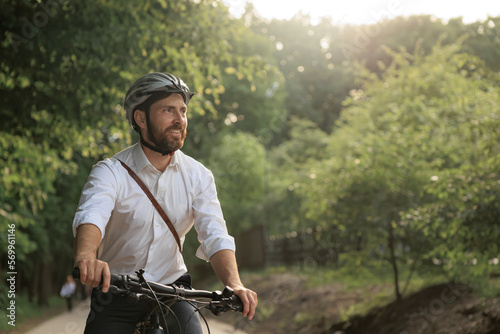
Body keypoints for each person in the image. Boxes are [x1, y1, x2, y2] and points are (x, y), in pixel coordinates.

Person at [72, 72, 258, 334]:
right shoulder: (110, 171)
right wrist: (86, 257)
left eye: (182, 111)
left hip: (173, 291)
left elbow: (215, 234)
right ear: (140, 118)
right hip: (115, 290)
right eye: (168, 110)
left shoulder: (198, 176)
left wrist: (235, 283)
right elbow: (92, 215)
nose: (179, 119)